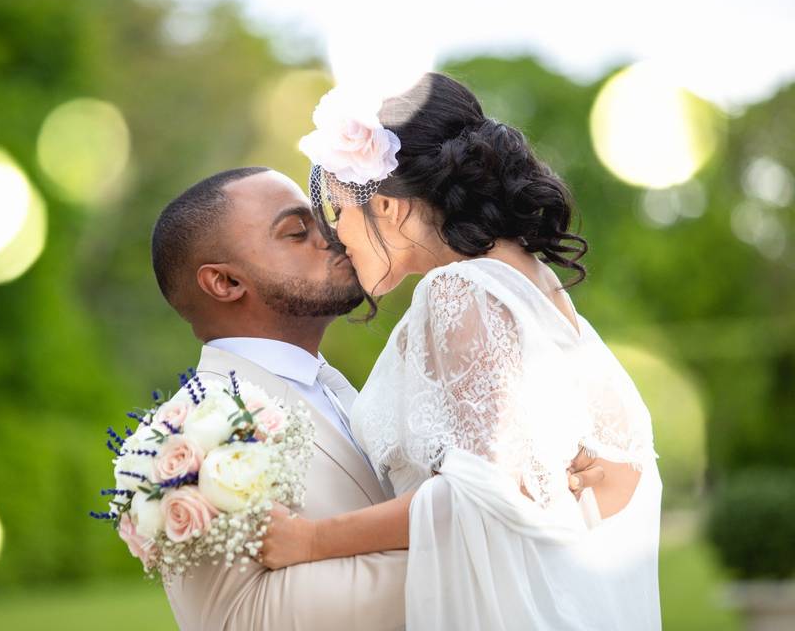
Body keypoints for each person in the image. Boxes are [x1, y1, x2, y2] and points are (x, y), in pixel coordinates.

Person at [259, 72, 663, 630]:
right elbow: (619, 472)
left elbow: (479, 496)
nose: (336, 241)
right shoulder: (533, 282)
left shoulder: (461, 289)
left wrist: (308, 540)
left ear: (388, 206)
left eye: (337, 213)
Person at [149, 166, 604, 630]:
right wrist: (503, 539)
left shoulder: (347, 393)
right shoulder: (191, 433)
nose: (332, 236)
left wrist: (527, 485)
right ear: (225, 283)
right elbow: (245, 618)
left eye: (323, 220)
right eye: (295, 232)